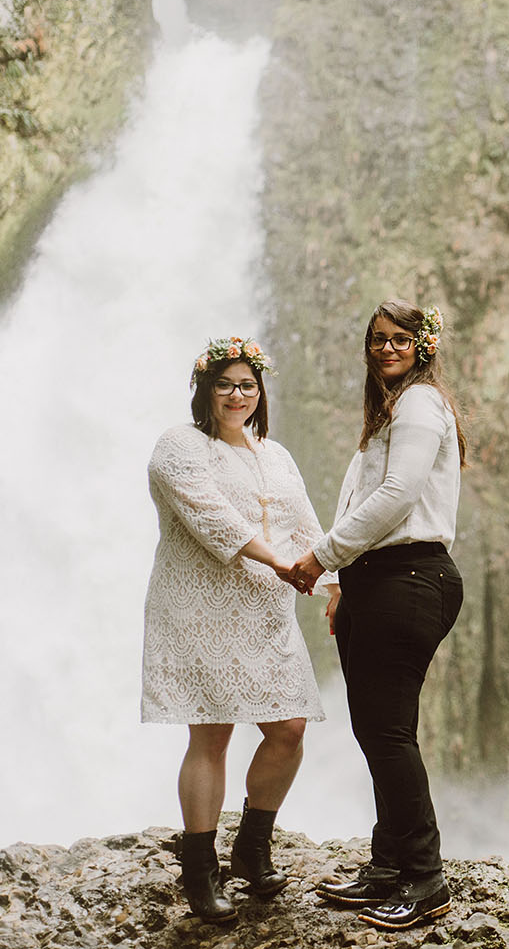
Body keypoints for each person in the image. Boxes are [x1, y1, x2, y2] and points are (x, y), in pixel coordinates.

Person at [287, 299, 467, 932]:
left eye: (399, 338)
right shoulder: (392, 410)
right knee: (376, 729)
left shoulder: (420, 403)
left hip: (409, 576)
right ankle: (388, 867)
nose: (386, 348)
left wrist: (319, 558)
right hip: (380, 579)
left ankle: (425, 878)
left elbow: (397, 496)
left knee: (387, 733)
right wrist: (340, 581)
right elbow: (364, 494)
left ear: (423, 346)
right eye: (376, 339)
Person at [141, 337, 328, 923]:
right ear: (205, 389)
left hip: (267, 613)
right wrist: (280, 563)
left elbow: (304, 520)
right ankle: (200, 871)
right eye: (225, 384)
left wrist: (331, 579)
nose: (237, 394)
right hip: (203, 609)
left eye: (247, 385)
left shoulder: (276, 453)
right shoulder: (179, 446)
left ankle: (250, 849)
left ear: (260, 391)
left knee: (290, 728)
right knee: (212, 735)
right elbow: (209, 516)